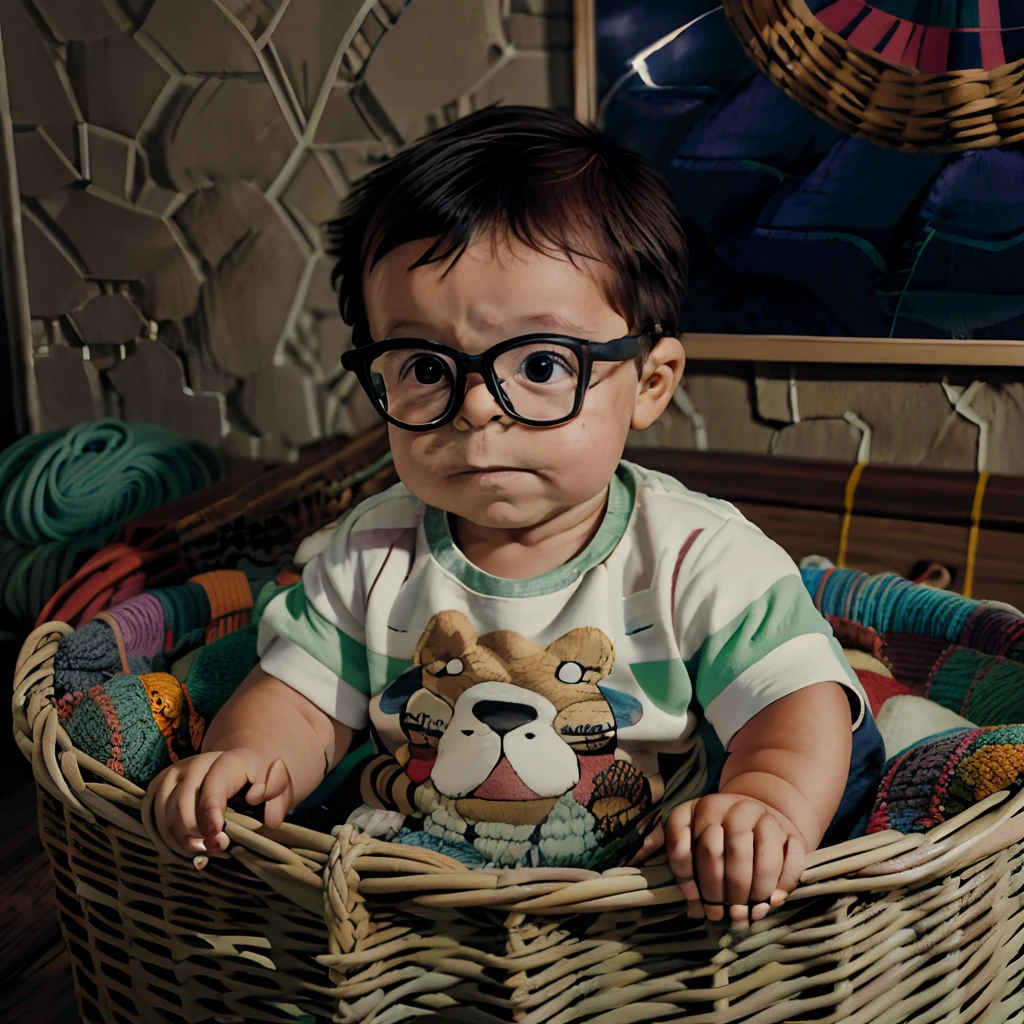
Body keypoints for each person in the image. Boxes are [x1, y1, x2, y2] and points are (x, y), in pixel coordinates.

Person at [150, 105, 884, 927]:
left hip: (640, 899)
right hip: (419, 892)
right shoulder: (371, 550)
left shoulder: (696, 556)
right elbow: (297, 697)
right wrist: (247, 758)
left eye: (539, 364)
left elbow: (797, 704)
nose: (474, 409)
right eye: (426, 365)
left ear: (649, 382)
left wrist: (764, 804)